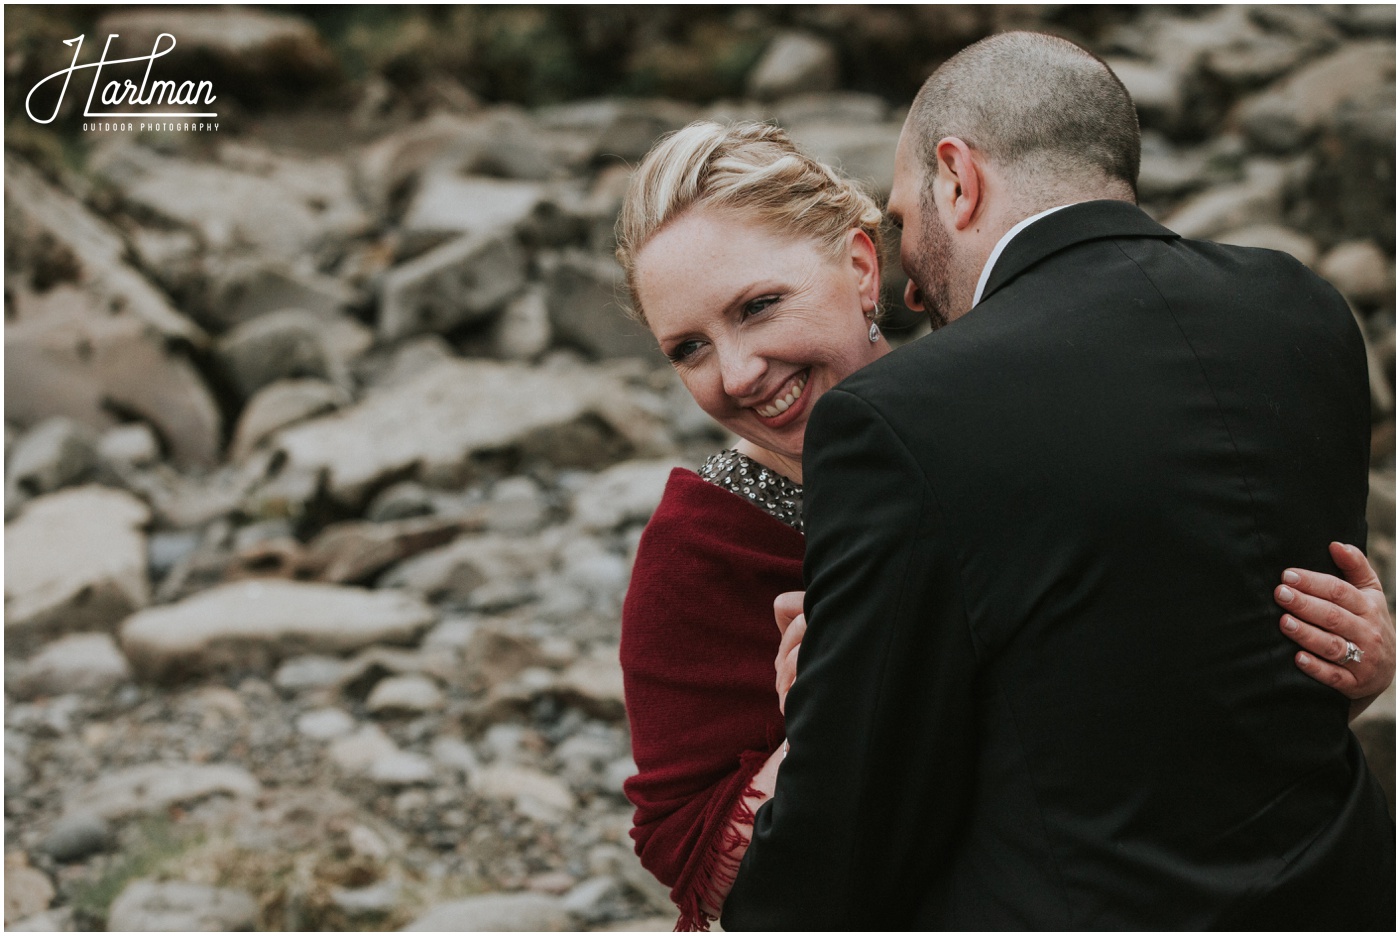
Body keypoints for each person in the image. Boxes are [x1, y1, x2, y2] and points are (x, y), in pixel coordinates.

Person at [615, 120, 1394, 927]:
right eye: (689, 349)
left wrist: (1345, 678)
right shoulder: (696, 551)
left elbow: (1158, 702)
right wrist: (821, 726)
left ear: (859, 266)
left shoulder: (1010, 417)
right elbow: (695, 868)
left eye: (759, 307)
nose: (737, 373)